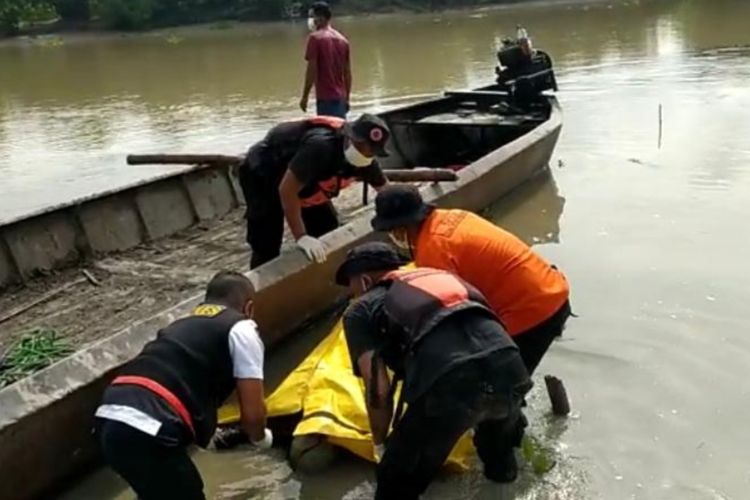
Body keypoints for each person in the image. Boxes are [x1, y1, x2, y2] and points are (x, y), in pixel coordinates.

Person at [335, 242, 532, 500]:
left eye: (351, 287)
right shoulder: (443, 278)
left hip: (453, 382)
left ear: (363, 281)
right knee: (500, 470)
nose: (352, 295)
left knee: (395, 483)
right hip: (511, 368)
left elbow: (379, 390)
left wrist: (382, 445)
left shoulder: (360, 309)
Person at [94, 271, 272, 500]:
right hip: (149, 424)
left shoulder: (181, 327)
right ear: (249, 309)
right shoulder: (242, 328)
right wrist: (261, 439)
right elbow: (253, 415)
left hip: (109, 420)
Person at [370, 184, 572, 375]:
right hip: (553, 290)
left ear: (400, 228)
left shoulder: (434, 250)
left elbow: (447, 317)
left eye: (391, 230)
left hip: (531, 313)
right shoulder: (454, 216)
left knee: (497, 387)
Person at [239, 113, 390, 269]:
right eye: (360, 147)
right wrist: (301, 236)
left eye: (371, 152)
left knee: (327, 228)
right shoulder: (321, 146)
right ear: (349, 138)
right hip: (264, 173)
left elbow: (386, 191)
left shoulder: (367, 162)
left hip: (306, 178)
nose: (364, 154)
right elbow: (287, 190)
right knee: (267, 240)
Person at [300, 1, 351, 118]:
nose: (311, 20)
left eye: (313, 16)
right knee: (340, 132)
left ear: (321, 18)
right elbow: (347, 74)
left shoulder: (315, 38)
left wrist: (305, 97)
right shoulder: (343, 40)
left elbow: (311, 71)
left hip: (325, 98)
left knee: (328, 133)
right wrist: (347, 98)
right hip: (340, 99)